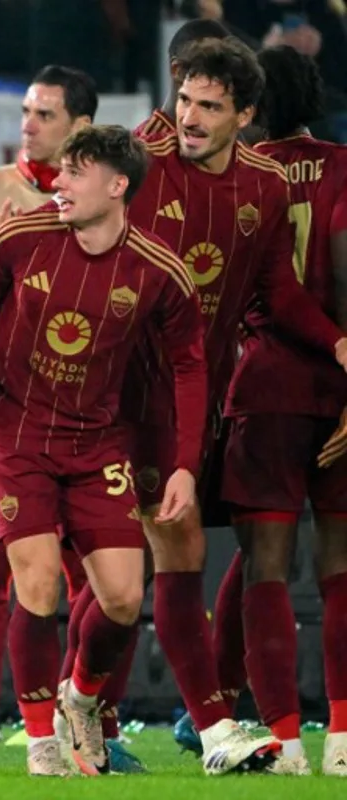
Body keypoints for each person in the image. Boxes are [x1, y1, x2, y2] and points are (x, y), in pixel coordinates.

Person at [0, 125, 207, 776]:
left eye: (77, 174)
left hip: (95, 439)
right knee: (40, 584)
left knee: (121, 598)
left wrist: (185, 467)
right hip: (13, 431)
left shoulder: (159, 270)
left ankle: (78, 698)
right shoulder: (23, 234)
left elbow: (190, 368)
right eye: (61, 171)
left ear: (117, 188)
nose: (60, 183)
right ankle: (40, 743)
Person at [120, 37, 347, 775]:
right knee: (135, 569)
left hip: (226, 391)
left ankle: (102, 700)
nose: (189, 115)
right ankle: (243, 727)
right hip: (141, 390)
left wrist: (335, 344)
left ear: (247, 112)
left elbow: (276, 292)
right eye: (184, 97)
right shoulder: (143, 159)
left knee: (183, 567)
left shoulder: (263, 182)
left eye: (208, 104)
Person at [0, 64, 130, 759]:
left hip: (82, 418)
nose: (28, 124)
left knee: (97, 578)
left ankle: (90, 712)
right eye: (26, 112)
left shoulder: (103, 205)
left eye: (45, 114)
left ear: (82, 126)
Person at [199, 45, 347, 776]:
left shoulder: (238, 179)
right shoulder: (344, 166)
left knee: (262, 568)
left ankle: (283, 740)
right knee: (340, 565)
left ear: (248, 103)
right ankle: (344, 741)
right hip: (336, 384)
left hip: (262, 387)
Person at [134, 18, 232, 139]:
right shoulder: (144, 147)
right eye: (214, 72)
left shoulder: (232, 135)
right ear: (178, 71)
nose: (223, 84)